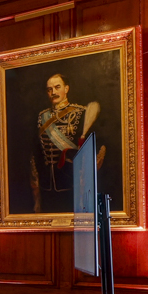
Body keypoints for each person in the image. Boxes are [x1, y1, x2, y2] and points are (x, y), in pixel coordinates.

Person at [30, 72, 101, 211]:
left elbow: (91, 152)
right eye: (49, 89)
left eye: (57, 87)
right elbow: (36, 152)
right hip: (46, 185)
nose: (53, 92)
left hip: (71, 184)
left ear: (66, 89)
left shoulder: (80, 113)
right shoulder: (42, 116)